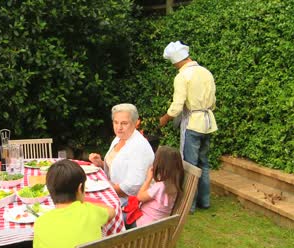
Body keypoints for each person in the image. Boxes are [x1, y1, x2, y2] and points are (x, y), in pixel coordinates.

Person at [159, 41, 218, 211]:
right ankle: (204, 202)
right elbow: (212, 102)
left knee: (189, 165)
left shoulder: (182, 76)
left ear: (177, 60)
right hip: (208, 123)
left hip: (193, 124)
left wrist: (164, 118)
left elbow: (177, 106)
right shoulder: (206, 72)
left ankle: (189, 205)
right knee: (204, 163)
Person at [33, 160, 115, 248]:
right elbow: (112, 211)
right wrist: (84, 201)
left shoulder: (41, 223)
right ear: (80, 188)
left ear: (49, 190)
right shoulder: (91, 211)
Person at [89, 103, 155, 205]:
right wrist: (101, 163)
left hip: (130, 204)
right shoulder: (119, 137)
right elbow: (119, 167)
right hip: (115, 194)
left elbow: (132, 186)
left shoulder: (139, 147)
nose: (119, 127)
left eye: (124, 123)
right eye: (116, 122)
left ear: (135, 123)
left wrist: (102, 189)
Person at [125, 146, 184, 227]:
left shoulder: (160, 186)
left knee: (119, 215)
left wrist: (148, 179)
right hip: (156, 226)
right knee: (125, 204)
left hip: (142, 225)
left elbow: (139, 197)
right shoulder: (174, 185)